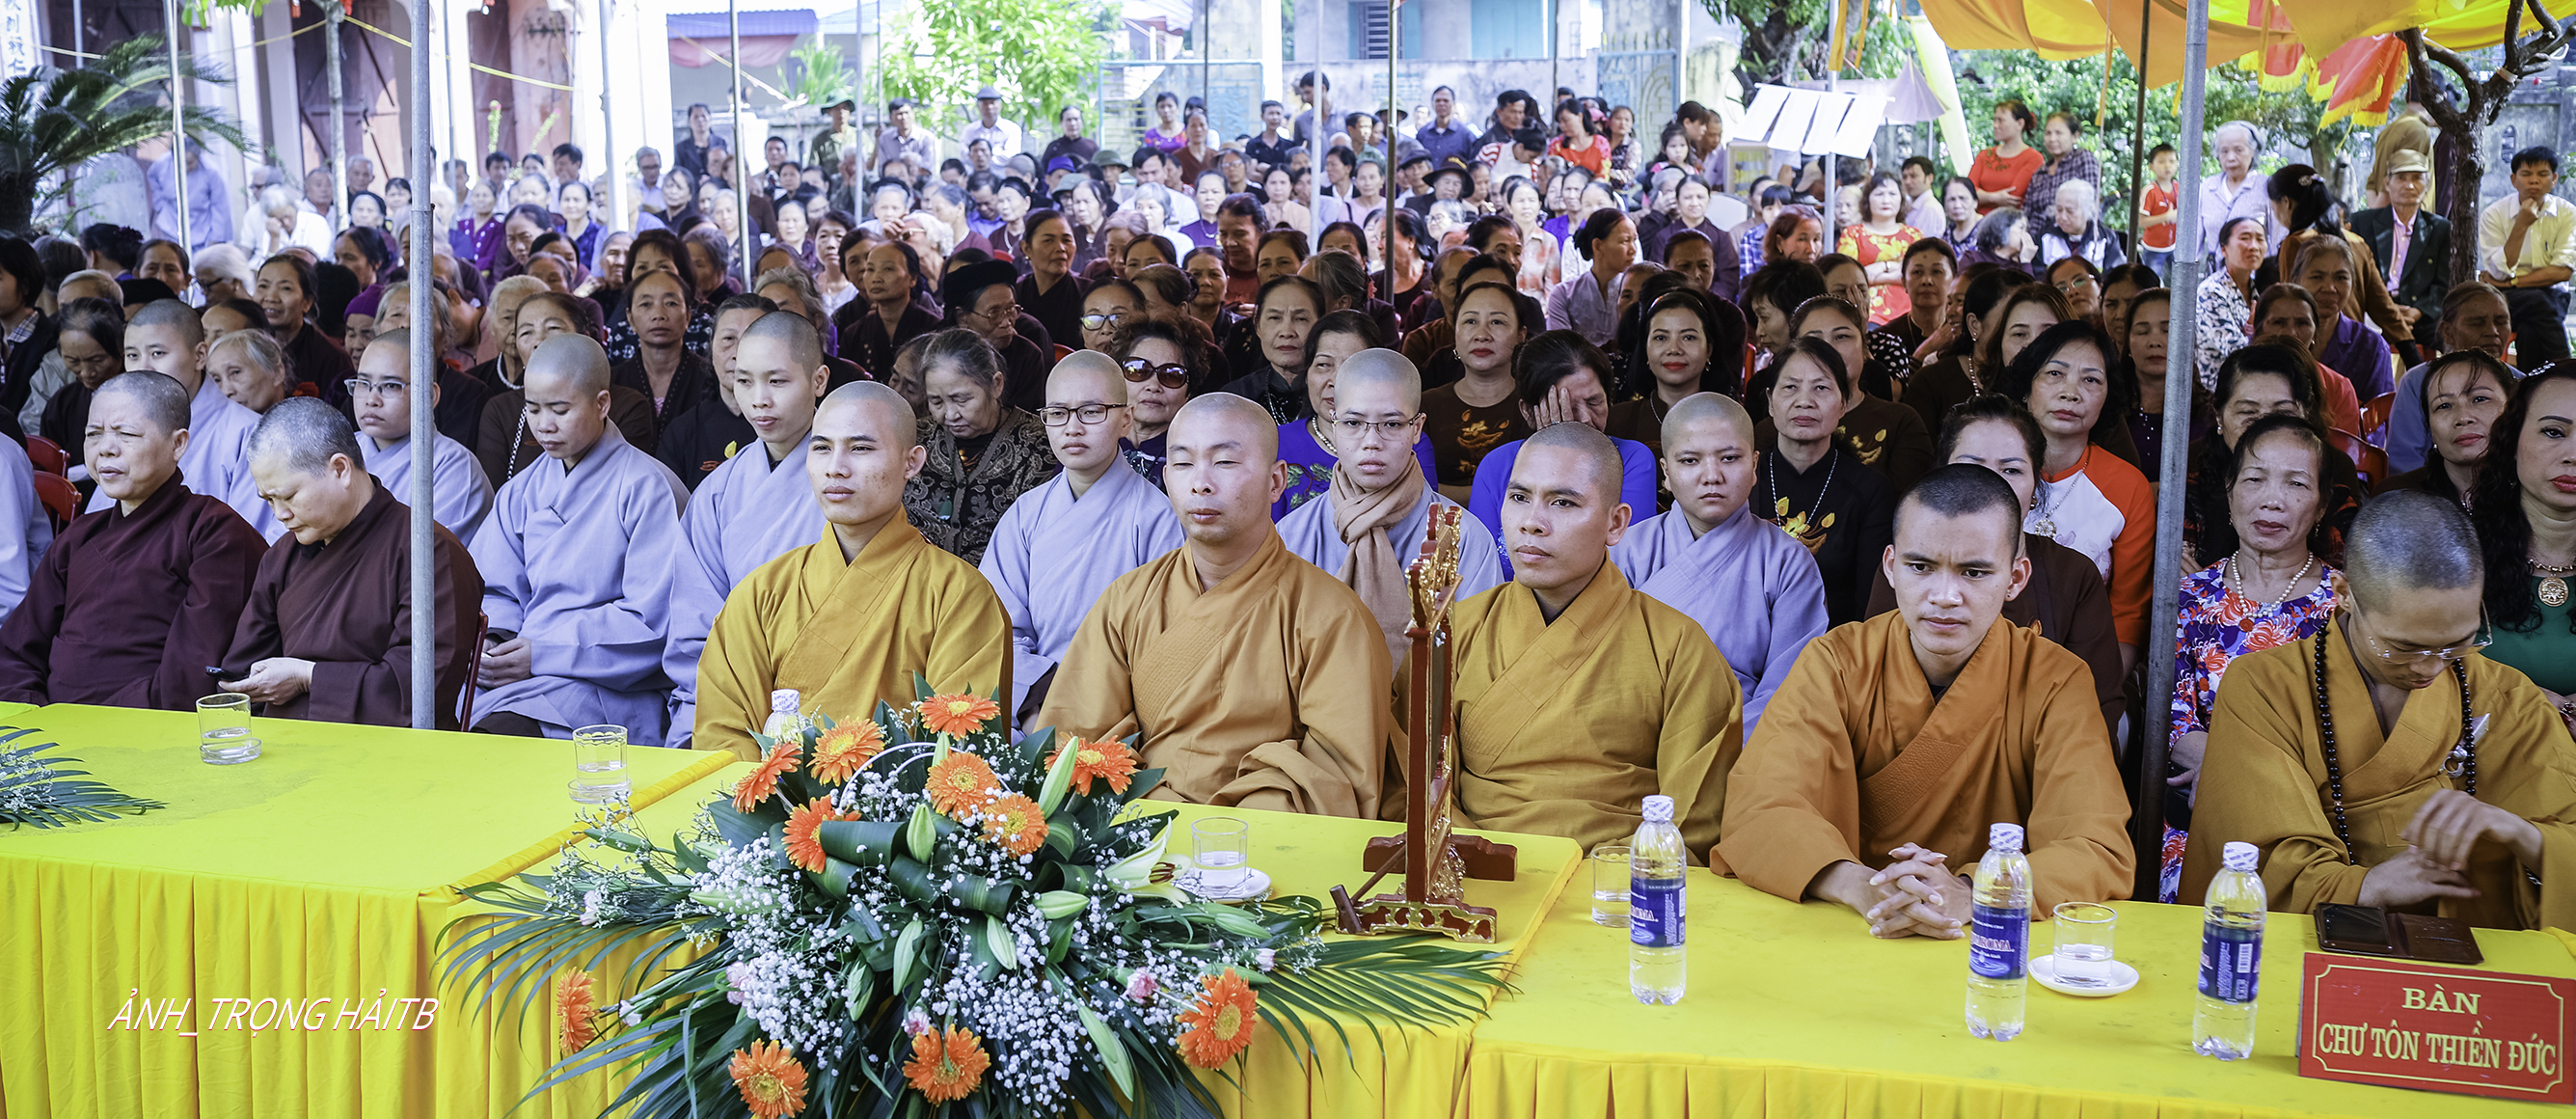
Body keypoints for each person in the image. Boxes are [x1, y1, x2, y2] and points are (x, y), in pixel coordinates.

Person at [1720, 462, 2134, 932]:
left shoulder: (2055, 680)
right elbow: (1759, 808)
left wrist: (1974, 894)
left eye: (1974, 572)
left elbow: (2095, 844)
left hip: (1991, 940)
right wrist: (1862, 886)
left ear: (2015, 578)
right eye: (1921, 567)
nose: (1945, 596)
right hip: (1854, 925)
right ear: (1890, 566)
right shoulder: (1836, 663)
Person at [2180, 491, 2576, 929]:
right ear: (2344, 594)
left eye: (2457, 644)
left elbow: (2568, 841)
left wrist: (2524, 835)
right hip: (2316, 945)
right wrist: (2371, 888)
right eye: (2404, 647)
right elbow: (2258, 858)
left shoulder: (2508, 697)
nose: (2430, 667)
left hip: (2478, 949)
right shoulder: (2265, 687)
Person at [1037, 393, 1396, 817]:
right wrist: (1160, 816)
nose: (1201, 483)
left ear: (1276, 482)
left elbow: (1334, 775)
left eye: (1224, 462)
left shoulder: (1332, 616)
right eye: (1183, 464)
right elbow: (1075, 742)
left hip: (1263, 838)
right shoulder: (1127, 600)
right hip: (1140, 832)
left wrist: (1220, 831)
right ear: (1166, 477)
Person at [1414, 420, 1741, 856]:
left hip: (1614, 882)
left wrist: (1599, 874)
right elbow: (1415, 785)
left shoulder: (1679, 648)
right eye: (1519, 497)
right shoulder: (1453, 631)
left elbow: (1692, 820)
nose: (1532, 523)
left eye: (1563, 502)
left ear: (1616, 524)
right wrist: (1485, 860)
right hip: (1476, 870)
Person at [693, 381, 1012, 759]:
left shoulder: (958, 595)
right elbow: (723, 737)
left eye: (860, 448)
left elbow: (961, 756)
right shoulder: (763, 591)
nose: (835, 468)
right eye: (821, 448)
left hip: (899, 798)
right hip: (773, 797)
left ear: (911, 462)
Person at [468, 333, 689, 743]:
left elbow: (653, 621)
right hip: (519, 669)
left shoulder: (647, 488)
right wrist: (495, 640)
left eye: (560, 409)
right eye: (533, 408)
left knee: (501, 736)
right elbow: (493, 588)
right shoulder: (522, 490)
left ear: (602, 404)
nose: (544, 425)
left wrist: (545, 652)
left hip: (605, 683)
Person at [0, 371, 265, 708]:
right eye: (93, 434)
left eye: (126, 434)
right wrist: (30, 710)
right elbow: (16, 649)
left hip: (147, 725)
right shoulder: (79, 536)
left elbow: (193, 671)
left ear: (178, 444)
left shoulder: (212, 531)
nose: (106, 449)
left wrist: (104, 722)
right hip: (52, 727)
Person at [1865, 396, 2123, 740]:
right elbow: (1876, 686)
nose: (1989, 482)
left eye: (2011, 470)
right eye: (1971, 465)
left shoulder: (2073, 574)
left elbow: (2096, 705)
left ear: (2036, 487)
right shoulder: (1910, 564)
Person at [215, 397, 480, 728]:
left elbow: (419, 693)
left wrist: (308, 677)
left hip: (388, 751)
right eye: (269, 500)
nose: (280, 514)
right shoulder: (282, 557)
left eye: (288, 496)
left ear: (340, 469)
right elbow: (241, 670)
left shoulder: (429, 552)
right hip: (281, 743)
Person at [2161, 414, 2339, 901]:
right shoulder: (2189, 595)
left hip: (2307, 816)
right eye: (2255, 479)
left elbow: (2345, 727)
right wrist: (2222, 772)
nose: (2271, 499)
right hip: (2199, 811)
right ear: (2230, 490)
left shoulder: (2345, 606)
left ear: (2321, 505)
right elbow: (2170, 709)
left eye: (2296, 484)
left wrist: (2236, 769)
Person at [980, 351, 1185, 723]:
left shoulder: (1157, 518)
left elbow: (1164, 640)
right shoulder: (1026, 515)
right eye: (1058, 413)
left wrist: (1093, 707)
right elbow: (996, 628)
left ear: (1125, 420)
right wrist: (1035, 705)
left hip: (1121, 712)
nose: (1072, 428)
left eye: (1091, 412)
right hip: (1031, 708)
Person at [1611, 392, 1827, 732]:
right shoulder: (1627, 550)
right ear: (1666, 473)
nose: (1712, 476)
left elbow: (1789, 690)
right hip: (1632, 731)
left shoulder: (1789, 562)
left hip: (1740, 739)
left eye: (1729, 458)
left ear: (1754, 466)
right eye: (1690, 461)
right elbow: (1601, 668)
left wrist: (1723, 747)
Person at [662, 312, 830, 746]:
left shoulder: (845, 484)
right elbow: (694, 621)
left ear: (819, 381)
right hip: (726, 691)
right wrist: (732, 692)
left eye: (777, 382)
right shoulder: (717, 491)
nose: (759, 400)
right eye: (744, 381)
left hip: (826, 696)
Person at [1278, 349, 1504, 661]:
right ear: (1334, 424)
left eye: (1392, 424)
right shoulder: (1292, 535)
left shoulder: (1465, 539)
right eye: (1353, 422)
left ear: (1417, 428)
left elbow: (1478, 662)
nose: (1371, 441)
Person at [2000, 320, 2154, 668]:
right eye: (2055, 374)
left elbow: (2128, 615)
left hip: (2083, 667)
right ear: (2027, 387)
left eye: (2091, 380)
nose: (2071, 392)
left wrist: (2096, 692)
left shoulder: (2128, 487)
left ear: (2107, 397)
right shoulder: (1988, 465)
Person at [1465, 332, 1658, 575]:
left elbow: (1626, 566)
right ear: (1528, 412)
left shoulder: (1632, 459)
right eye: (1567, 406)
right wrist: (1553, 450)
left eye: (1594, 402)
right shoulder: (1495, 465)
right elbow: (1481, 571)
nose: (1585, 418)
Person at [101, 300, 275, 538]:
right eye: (132, 355)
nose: (143, 368)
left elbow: (247, 537)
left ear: (200, 356)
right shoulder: (123, 428)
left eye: (157, 353)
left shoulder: (248, 433)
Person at [1756, 336, 1897, 626]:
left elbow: (1869, 607)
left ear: (1843, 403)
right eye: (1791, 387)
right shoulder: (1744, 477)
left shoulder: (1870, 491)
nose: (1804, 401)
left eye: (1821, 388)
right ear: (1770, 401)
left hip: (1835, 646)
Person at [902, 327, 1058, 563]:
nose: (950, 414)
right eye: (936, 401)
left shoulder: (1040, 444)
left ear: (996, 385)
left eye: (961, 399)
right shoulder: (915, 438)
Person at [2469, 368, 2576, 707]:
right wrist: (2523, 703)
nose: (2573, 455)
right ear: (2513, 440)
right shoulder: (2455, 555)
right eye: (2554, 432)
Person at [351, 331, 493, 540]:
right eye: (363, 383)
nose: (371, 400)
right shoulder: (340, 451)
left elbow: (437, 554)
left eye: (391, 386)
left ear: (429, 395)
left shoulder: (453, 467)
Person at [2388, 283, 2519, 474]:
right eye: (2477, 322)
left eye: (2501, 321)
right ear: (2448, 332)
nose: (2493, 331)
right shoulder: (2418, 382)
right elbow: (2405, 463)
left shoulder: (2520, 383)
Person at [2480, 146, 2576, 368]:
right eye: (2526, 174)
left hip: (2551, 294)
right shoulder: (2494, 214)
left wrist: (2511, 282)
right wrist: (2521, 225)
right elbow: (2498, 272)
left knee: (2529, 329)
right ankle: (2567, 371)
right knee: (2537, 302)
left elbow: (2562, 272)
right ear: (2514, 180)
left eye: (2542, 174)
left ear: (2554, 179)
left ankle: (2528, 384)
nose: (2534, 180)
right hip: (2507, 298)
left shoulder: (2568, 213)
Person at [2380, 349, 2511, 504]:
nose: (2463, 418)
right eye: (2444, 406)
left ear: (2512, 410)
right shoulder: (2397, 498)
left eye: (2480, 399)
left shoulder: (2533, 493)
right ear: (2430, 428)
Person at [2350, 150, 2454, 340]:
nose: (2409, 185)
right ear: (2387, 183)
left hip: (2418, 315)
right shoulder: (2361, 223)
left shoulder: (2440, 228)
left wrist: (2418, 311)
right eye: (2401, 178)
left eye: (2417, 178)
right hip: (2371, 310)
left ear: (2427, 184)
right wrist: (2384, 310)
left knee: (2448, 335)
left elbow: (2442, 284)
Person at [1543, 209, 1636, 346]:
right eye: (1625, 241)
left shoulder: (1637, 292)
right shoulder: (1563, 294)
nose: (1633, 250)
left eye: (1634, 240)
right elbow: (1561, 349)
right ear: (1598, 245)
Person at [1837, 173, 1922, 324]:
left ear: (1901, 198)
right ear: (1867, 199)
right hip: (1867, 314)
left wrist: (1874, 272)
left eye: (1892, 194)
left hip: (1911, 312)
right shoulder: (1852, 234)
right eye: (1879, 194)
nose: (1886, 200)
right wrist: (1896, 269)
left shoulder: (1915, 235)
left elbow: (1919, 276)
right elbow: (1847, 278)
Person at [2195, 216, 2266, 388]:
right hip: (2218, 392)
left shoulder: (2257, 289)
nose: (2253, 246)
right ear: (2224, 249)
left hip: (2251, 385)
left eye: (2260, 239)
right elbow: (2237, 351)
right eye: (2245, 238)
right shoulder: (2211, 292)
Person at [2198, 121, 2274, 263]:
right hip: (2217, 272)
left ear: (2253, 151)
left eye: (2238, 150)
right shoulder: (2207, 187)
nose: (2231, 158)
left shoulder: (2266, 187)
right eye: (2224, 151)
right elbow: (2194, 242)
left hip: (2256, 272)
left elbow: (2277, 240)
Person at [2019, 112, 2101, 223]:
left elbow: (2090, 202)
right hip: (2035, 231)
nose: (2052, 139)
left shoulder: (2082, 159)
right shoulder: (2040, 173)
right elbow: (2027, 211)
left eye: (2059, 133)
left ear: (2075, 136)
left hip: (2068, 230)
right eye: (2048, 133)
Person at [1968, 100, 2042, 214]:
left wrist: (1981, 196)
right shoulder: (1985, 155)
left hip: (2010, 220)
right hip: (1977, 221)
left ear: (2020, 124)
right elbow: (1967, 191)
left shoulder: (2033, 158)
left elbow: (2012, 198)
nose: (1995, 125)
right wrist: (1994, 197)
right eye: (1994, 120)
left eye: (2001, 120)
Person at [2137, 144, 2180, 277]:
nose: (2167, 166)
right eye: (2161, 162)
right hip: (2154, 248)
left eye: (2172, 161)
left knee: (2178, 281)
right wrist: (2166, 217)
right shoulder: (2150, 191)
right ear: (2151, 166)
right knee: (2152, 281)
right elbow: (2141, 221)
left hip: (2175, 246)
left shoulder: (2179, 187)